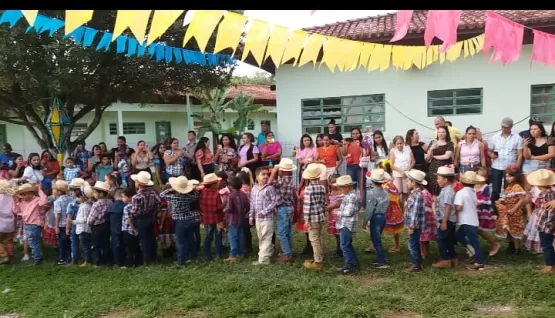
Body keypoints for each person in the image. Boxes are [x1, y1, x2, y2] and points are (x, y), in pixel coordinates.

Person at [160, 176, 202, 266]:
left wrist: (170, 189)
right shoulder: (188, 197)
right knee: (191, 240)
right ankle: (193, 257)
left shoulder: (174, 197)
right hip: (189, 220)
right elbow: (196, 196)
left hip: (179, 222)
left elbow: (162, 195)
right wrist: (194, 190)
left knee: (181, 242)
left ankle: (181, 261)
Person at [488, 117, 524, 210]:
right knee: (495, 190)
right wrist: (491, 155)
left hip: (510, 167)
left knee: (508, 190)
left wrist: (517, 167)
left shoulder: (517, 138)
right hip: (497, 166)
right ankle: (494, 210)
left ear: (511, 126)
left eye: (506, 127)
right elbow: (489, 151)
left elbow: (520, 154)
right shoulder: (494, 137)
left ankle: (508, 209)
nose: (504, 129)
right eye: (502, 127)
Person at [455, 171, 486, 271]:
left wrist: (453, 208)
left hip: (467, 220)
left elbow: (459, 207)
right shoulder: (473, 193)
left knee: (474, 242)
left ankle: (479, 261)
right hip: (471, 219)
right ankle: (473, 253)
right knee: (458, 236)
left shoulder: (460, 193)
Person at [526, 169, 555, 273]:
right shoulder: (551, 192)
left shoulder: (546, 194)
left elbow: (549, 213)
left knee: (546, 245)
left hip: (546, 224)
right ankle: (550, 264)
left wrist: (547, 225)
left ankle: (549, 266)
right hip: (547, 223)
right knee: (548, 245)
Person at [130, 171, 161, 266]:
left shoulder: (136, 196)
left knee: (144, 240)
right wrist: (154, 212)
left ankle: (146, 260)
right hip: (150, 217)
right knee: (151, 238)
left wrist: (132, 212)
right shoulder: (152, 193)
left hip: (141, 219)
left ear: (138, 183)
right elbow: (159, 204)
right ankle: (153, 257)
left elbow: (135, 211)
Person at [269, 158, 297, 263]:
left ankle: (287, 254)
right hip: (289, 207)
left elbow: (269, 183)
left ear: (282, 170)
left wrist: (275, 170)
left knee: (281, 233)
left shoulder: (282, 180)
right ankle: (288, 251)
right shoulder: (289, 180)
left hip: (283, 208)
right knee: (287, 231)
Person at [13, 183, 48, 265]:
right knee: (33, 241)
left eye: (29, 193)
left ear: (32, 193)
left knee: (33, 242)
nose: (27, 196)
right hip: (28, 224)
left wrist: (39, 191)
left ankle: (37, 258)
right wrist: (14, 200)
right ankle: (38, 256)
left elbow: (43, 202)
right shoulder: (22, 202)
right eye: (24, 194)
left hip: (35, 223)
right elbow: (16, 211)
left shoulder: (36, 200)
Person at [249, 167, 279, 265]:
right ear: (257, 177)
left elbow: (275, 201)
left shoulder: (269, 188)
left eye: (267, 174)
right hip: (258, 219)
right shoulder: (254, 189)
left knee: (266, 237)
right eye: (263, 174)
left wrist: (264, 212)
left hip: (267, 218)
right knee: (261, 237)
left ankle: (263, 260)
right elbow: (252, 203)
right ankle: (269, 252)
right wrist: (251, 216)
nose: (266, 176)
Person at [495, 165, 527, 254]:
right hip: (508, 211)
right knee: (509, 229)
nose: (507, 178)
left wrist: (514, 209)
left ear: (516, 176)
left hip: (514, 212)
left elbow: (522, 199)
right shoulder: (509, 187)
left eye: (510, 176)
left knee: (514, 230)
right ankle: (512, 246)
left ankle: (517, 248)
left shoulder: (516, 186)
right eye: (506, 176)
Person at [302, 163, 327, 270]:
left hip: (312, 217)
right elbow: (323, 202)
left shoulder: (308, 189)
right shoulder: (322, 187)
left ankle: (318, 262)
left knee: (314, 239)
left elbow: (307, 206)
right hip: (320, 216)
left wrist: (306, 220)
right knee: (318, 237)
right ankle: (319, 257)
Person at [432, 166, 459, 269]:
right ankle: (453, 258)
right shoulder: (446, 189)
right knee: (448, 239)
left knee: (440, 239)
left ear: (445, 179)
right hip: (449, 220)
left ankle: (444, 260)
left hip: (447, 220)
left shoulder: (448, 191)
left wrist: (444, 222)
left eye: (439, 178)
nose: (437, 180)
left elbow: (448, 206)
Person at [365, 169, 391, 269]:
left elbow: (370, 209)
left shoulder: (372, 193)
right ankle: (381, 258)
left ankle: (382, 260)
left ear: (372, 181)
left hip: (375, 217)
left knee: (376, 240)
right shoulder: (385, 192)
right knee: (377, 238)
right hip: (383, 217)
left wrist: (366, 220)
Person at [334, 175, 359, 274]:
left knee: (344, 245)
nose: (339, 189)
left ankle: (349, 265)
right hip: (345, 224)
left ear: (348, 187)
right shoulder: (348, 196)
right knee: (348, 244)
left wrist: (338, 213)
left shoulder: (351, 197)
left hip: (347, 225)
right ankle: (354, 262)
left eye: (341, 187)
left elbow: (349, 212)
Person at [404, 169, 428, 272]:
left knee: (412, 244)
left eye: (408, 181)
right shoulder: (414, 193)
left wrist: (411, 226)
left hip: (415, 225)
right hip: (414, 224)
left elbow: (415, 212)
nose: (406, 182)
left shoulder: (417, 195)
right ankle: (416, 261)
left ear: (413, 183)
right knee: (414, 243)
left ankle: (416, 263)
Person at [224, 177, 250, 262]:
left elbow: (230, 209)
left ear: (231, 186)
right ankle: (241, 252)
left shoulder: (230, 196)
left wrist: (224, 209)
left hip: (232, 220)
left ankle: (233, 255)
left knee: (233, 237)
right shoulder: (244, 195)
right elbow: (248, 207)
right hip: (241, 219)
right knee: (241, 236)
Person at [200, 173, 224, 260]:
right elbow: (219, 207)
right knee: (218, 237)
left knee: (208, 237)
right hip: (217, 219)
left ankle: (207, 255)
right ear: (213, 184)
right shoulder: (217, 194)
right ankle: (218, 254)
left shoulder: (202, 192)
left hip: (207, 218)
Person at [87, 181, 112, 266]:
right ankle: (107, 260)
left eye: (95, 192)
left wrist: (89, 224)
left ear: (101, 194)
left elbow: (91, 218)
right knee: (106, 243)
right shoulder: (110, 202)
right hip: (106, 225)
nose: (94, 194)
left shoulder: (96, 204)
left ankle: (97, 261)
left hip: (96, 226)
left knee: (96, 244)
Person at [74, 184, 94, 267]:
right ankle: (86, 259)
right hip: (83, 229)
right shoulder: (84, 205)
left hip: (84, 229)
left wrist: (73, 222)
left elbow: (84, 219)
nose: (77, 199)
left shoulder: (85, 207)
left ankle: (87, 261)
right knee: (84, 245)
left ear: (83, 197)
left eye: (78, 197)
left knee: (85, 246)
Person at [121, 188, 142, 267]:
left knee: (129, 248)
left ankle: (128, 264)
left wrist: (133, 229)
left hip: (128, 230)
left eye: (124, 197)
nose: (122, 199)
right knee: (137, 247)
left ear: (130, 197)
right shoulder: (137, 205)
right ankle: (138, 262)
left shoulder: (126, 207)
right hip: (137, 229)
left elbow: (129, 220)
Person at [52, 180, 71, 265]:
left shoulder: (57, 201)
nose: (53, 191)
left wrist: (56, 226)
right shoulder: (70, 198)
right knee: (68, 241)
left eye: (54, 189)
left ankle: (62, 258)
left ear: (59, 191)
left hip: (61, 224)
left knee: (61, 242)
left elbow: (58, 214)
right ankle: (69, 257)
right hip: (69, 223)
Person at [326, 174, 344, 258]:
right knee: (336, 235)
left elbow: (339, 203)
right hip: (333, 215)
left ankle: (340, 250)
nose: (330, 184)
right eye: (330, 182)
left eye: (332, 182)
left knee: (339, 234)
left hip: (338, 216)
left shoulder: (341, 192)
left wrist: (328, 207)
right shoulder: (331, 191)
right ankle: (339, 249)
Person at [107, 189, 126, 267]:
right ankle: (125, 261)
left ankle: (117, 262)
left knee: (115, 245)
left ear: (115, 196)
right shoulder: (124, 205)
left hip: (113, 228)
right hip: (123, 228)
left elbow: (107, 216)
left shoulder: (111, 205)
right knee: (124, 244)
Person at [0, 180, 15, 264]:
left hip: (1, 223)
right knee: (9, 241)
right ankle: (11, 256)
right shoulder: (12, 198)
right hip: (10, 223)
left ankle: (4, 255)